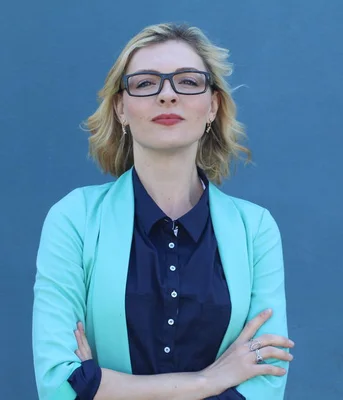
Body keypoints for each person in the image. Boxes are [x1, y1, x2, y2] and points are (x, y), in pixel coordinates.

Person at [32, 22, 293, 400]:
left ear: (212, 106)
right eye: (144, 83)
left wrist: (103, 386)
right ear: (121, 107)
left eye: (188, 82)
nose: (168, 95)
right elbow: (59, 384)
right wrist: (208, 381)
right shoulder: (74, 218)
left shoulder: (256, 230)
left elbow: (265, 382)